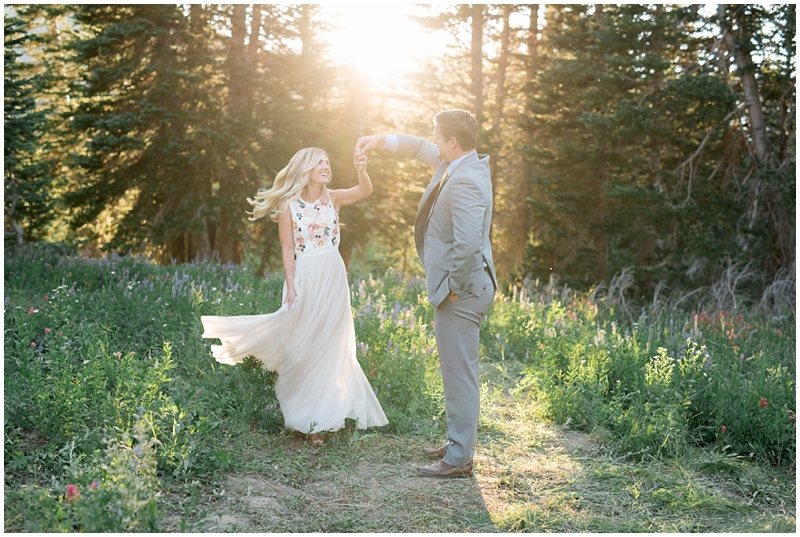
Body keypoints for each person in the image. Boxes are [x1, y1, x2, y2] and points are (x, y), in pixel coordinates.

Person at [200, 147, 388, 441]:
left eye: (328, 161)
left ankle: (324, 419)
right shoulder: (289, 206)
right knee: (303, 343)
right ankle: (305, 412)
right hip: (306, 276)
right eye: (319, 162)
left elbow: (365, 190)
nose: (326, 166)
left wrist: (361, 168)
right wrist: (290, 284)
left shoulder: (333, 198)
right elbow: (288, 249)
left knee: (330, 342)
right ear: (306, 168)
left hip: (333, 275)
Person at [356, 109, 497, 478]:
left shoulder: (464, 178)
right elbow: (418, 146)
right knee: (457, 371)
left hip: (463, 291)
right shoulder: (464, 161)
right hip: (468, 287)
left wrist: (452, 288)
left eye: (438, 136)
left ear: (452, 141)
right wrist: (379, 140)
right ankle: (458, 444)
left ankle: (458, 459)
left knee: (459, 374)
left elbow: (467, 245)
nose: (432, 140)